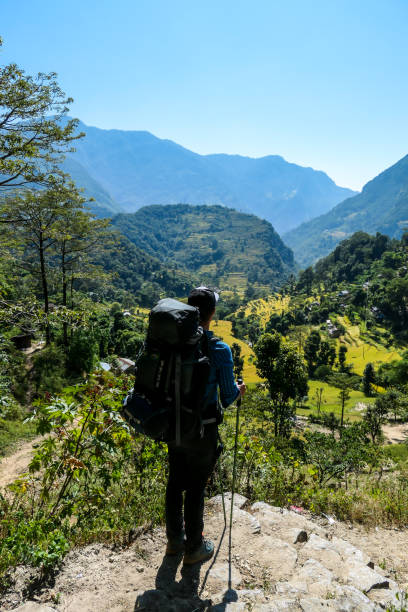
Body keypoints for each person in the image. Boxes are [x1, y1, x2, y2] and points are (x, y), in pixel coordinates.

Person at [165, 286, 246, 565]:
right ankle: (195, 548)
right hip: (204, 426)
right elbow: (227, 397)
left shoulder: (171, 341)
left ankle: (175, 542)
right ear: (212, 313)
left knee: (175, 482)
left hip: (174, 423)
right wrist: (239, 389)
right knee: (197, 485)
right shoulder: (219, 349)